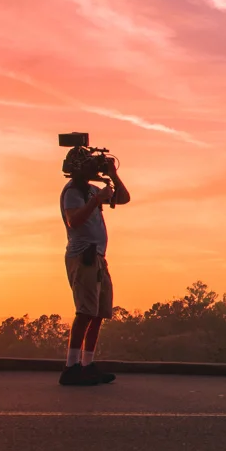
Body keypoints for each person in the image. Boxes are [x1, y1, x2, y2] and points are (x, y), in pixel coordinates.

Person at [58, 147, 130, 386]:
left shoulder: (90, 190)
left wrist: (113, 175)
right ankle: (71, 367)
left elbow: (123, 198)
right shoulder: (72, 192)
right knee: (85, 312)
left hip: (98, 257)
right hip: (83, 257)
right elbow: (74, 220)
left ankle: (87, 365)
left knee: (98, 313)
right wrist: (96, 201)